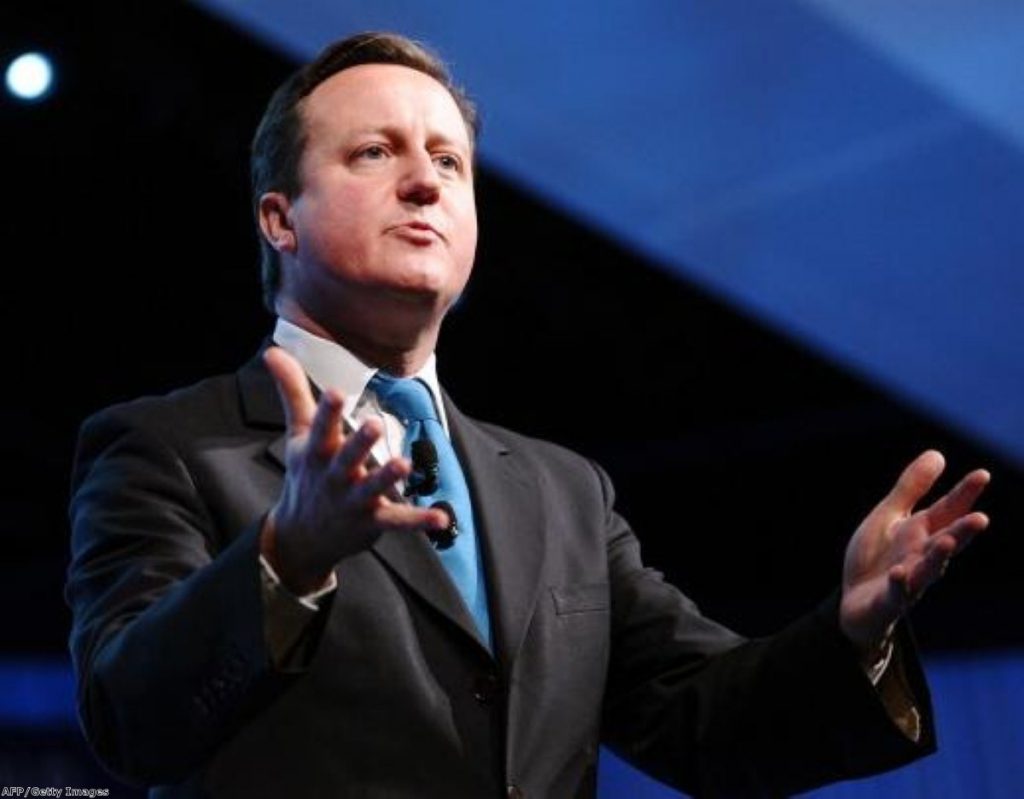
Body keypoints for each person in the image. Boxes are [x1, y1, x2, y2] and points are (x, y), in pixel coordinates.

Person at [66, 32, 991, 799]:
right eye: (375, 152)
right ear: (280, 219)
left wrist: (852, 633)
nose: (426, 182)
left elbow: (701, 721)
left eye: (449, 160)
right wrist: (287, 558)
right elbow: (132, 721)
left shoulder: (562, 491)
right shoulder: (169, 450)